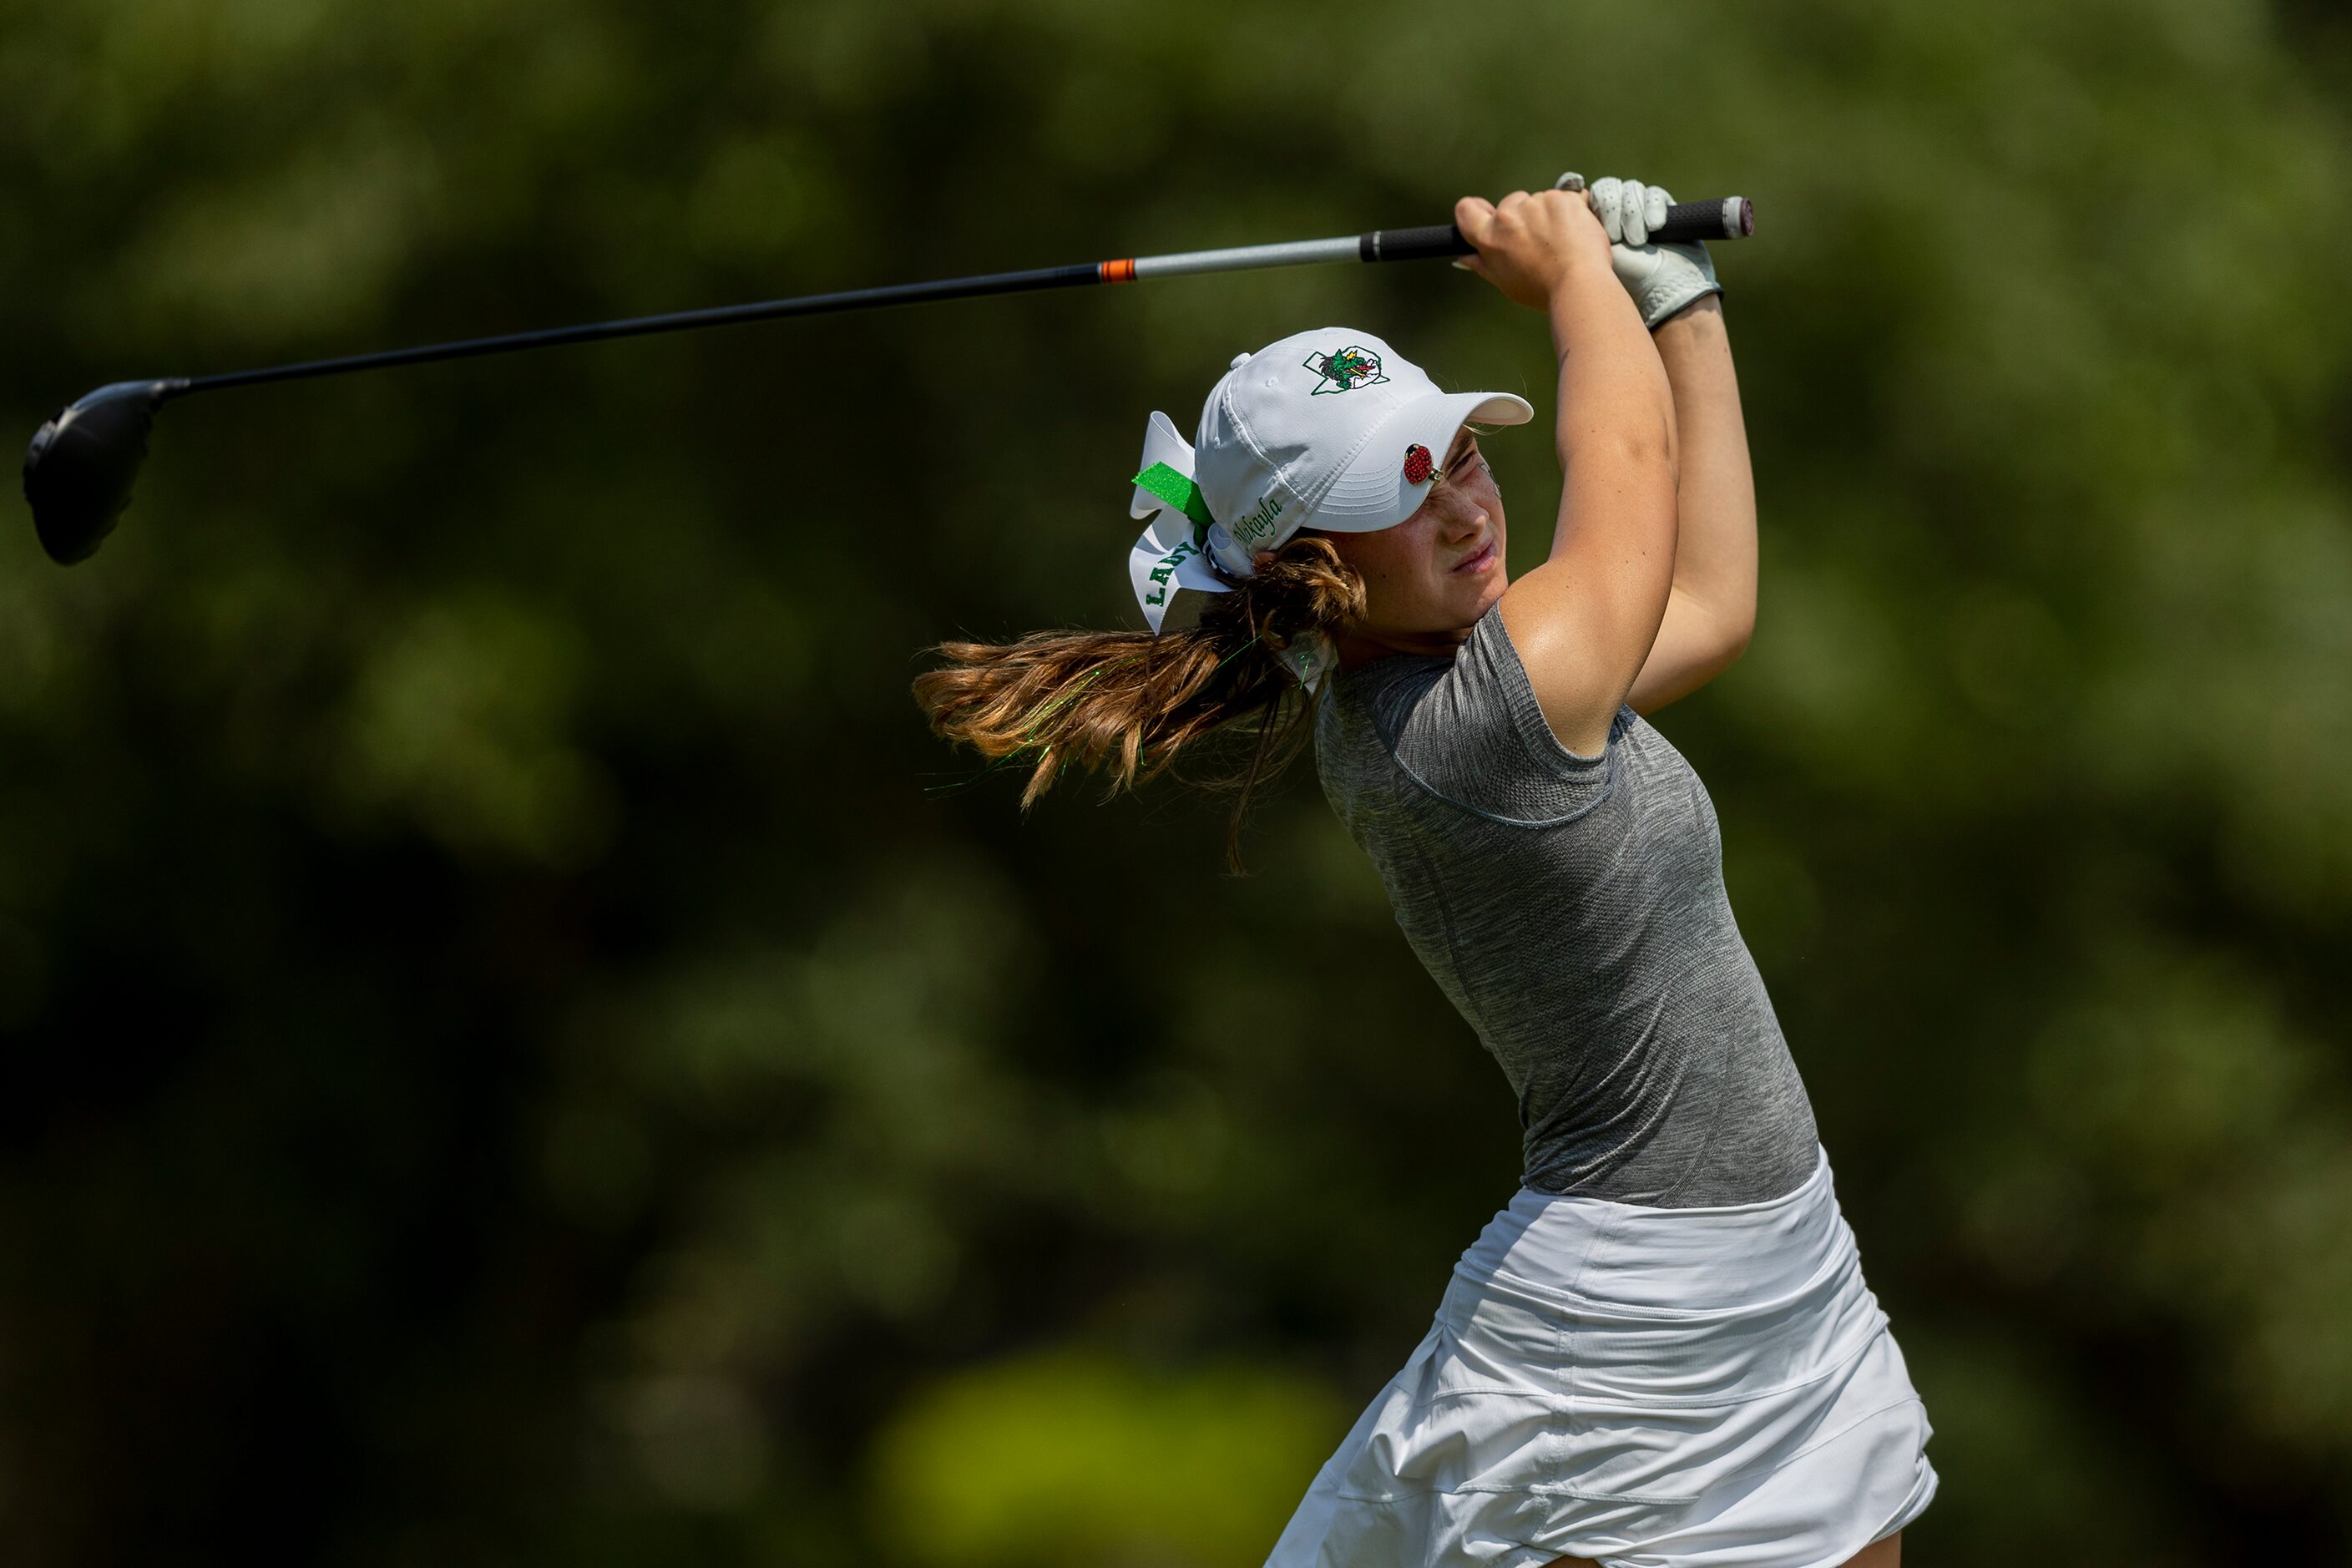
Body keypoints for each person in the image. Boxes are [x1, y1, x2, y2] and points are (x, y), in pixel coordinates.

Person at [913, 176, 1935, 1568]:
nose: (1462, 502)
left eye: (1457, 449)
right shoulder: (1473, 726)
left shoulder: (1476, 666)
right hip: (1635, 1321)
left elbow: (1706, 600)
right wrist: (1576, 276)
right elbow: (1627, 476)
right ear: (1312, 564)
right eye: (1400, 488)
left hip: (1778, 1262)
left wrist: (1675, 302)